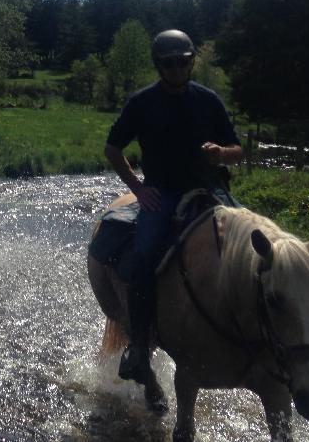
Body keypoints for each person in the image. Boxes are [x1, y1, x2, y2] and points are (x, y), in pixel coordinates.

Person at [103, 29, 242, 383]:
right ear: (159, 65)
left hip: (208, 190)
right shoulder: (142, 102)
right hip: (161, 194)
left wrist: (222, 154)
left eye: (185, 62)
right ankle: (137, 346)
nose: (179, 69)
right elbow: (113, 148)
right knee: (146, 253)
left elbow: (237, 150)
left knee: (254, 243)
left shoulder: (208, 100)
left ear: (192, 61)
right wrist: (137, 187)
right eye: (171, 63)